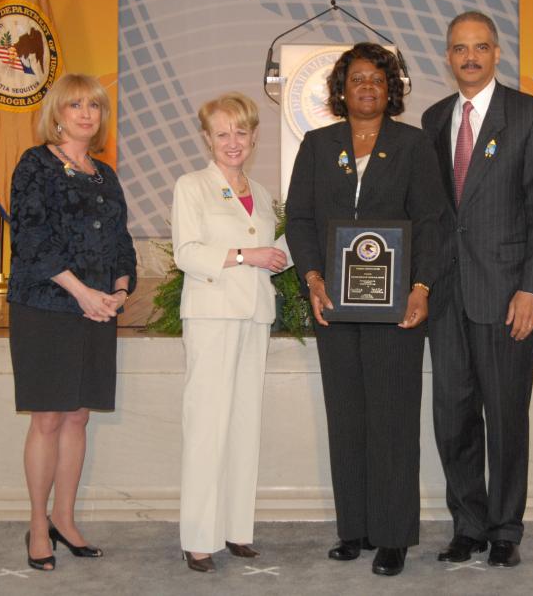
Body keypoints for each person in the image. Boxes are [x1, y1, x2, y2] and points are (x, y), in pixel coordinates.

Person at [285, 43, 445, 577]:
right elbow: (302, 220)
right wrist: (311, 277)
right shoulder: (316, 144)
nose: (368, 87)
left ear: (391, 88)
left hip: (397, 307)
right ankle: (353, 529)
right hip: (334, 304)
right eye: (358, 79)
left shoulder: (414, 145)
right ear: (342, 88)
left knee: (393, 416)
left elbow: (431, 221)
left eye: (378, 78)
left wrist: (421, 287)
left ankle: (394, 535)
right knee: (347, 416)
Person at [421, 12, 533, 568]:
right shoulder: (432, 120)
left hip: (507, 295)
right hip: (447, 297)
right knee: (452, 415)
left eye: (481, 47)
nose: (470, 57)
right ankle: (468, 526)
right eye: (460, 48)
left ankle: (505, 530)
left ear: (498, 53)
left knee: (505, 415)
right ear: (448, 56)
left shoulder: (529, 115)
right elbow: (432, 215)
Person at [7, 74, 137, 571]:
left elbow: (121, 244)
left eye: (95, 106)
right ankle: (38, 526)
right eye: (75, 104)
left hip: (99, 308)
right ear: (57, 113)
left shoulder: (106, 174)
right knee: (48, 418)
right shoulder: (35, 164)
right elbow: (32, 238)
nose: (86, 113)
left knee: (79, 416)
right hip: (46, 305)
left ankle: (65, 519)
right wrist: (82, 292)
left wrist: (119, 292)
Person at [170, 92, 290, 573]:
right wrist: (246, 256)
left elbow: (271, 252)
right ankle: (198, 537)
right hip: (212, 314)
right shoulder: (191, 186)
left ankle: (237, 529)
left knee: (245, 424)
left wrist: (292, 246)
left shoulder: (261, 195)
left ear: (255, 135)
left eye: (241, 132)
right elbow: (187, 253)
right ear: (207, 138)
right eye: (222, 133)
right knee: (206, 425)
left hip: (254, 314)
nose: (233, 142)